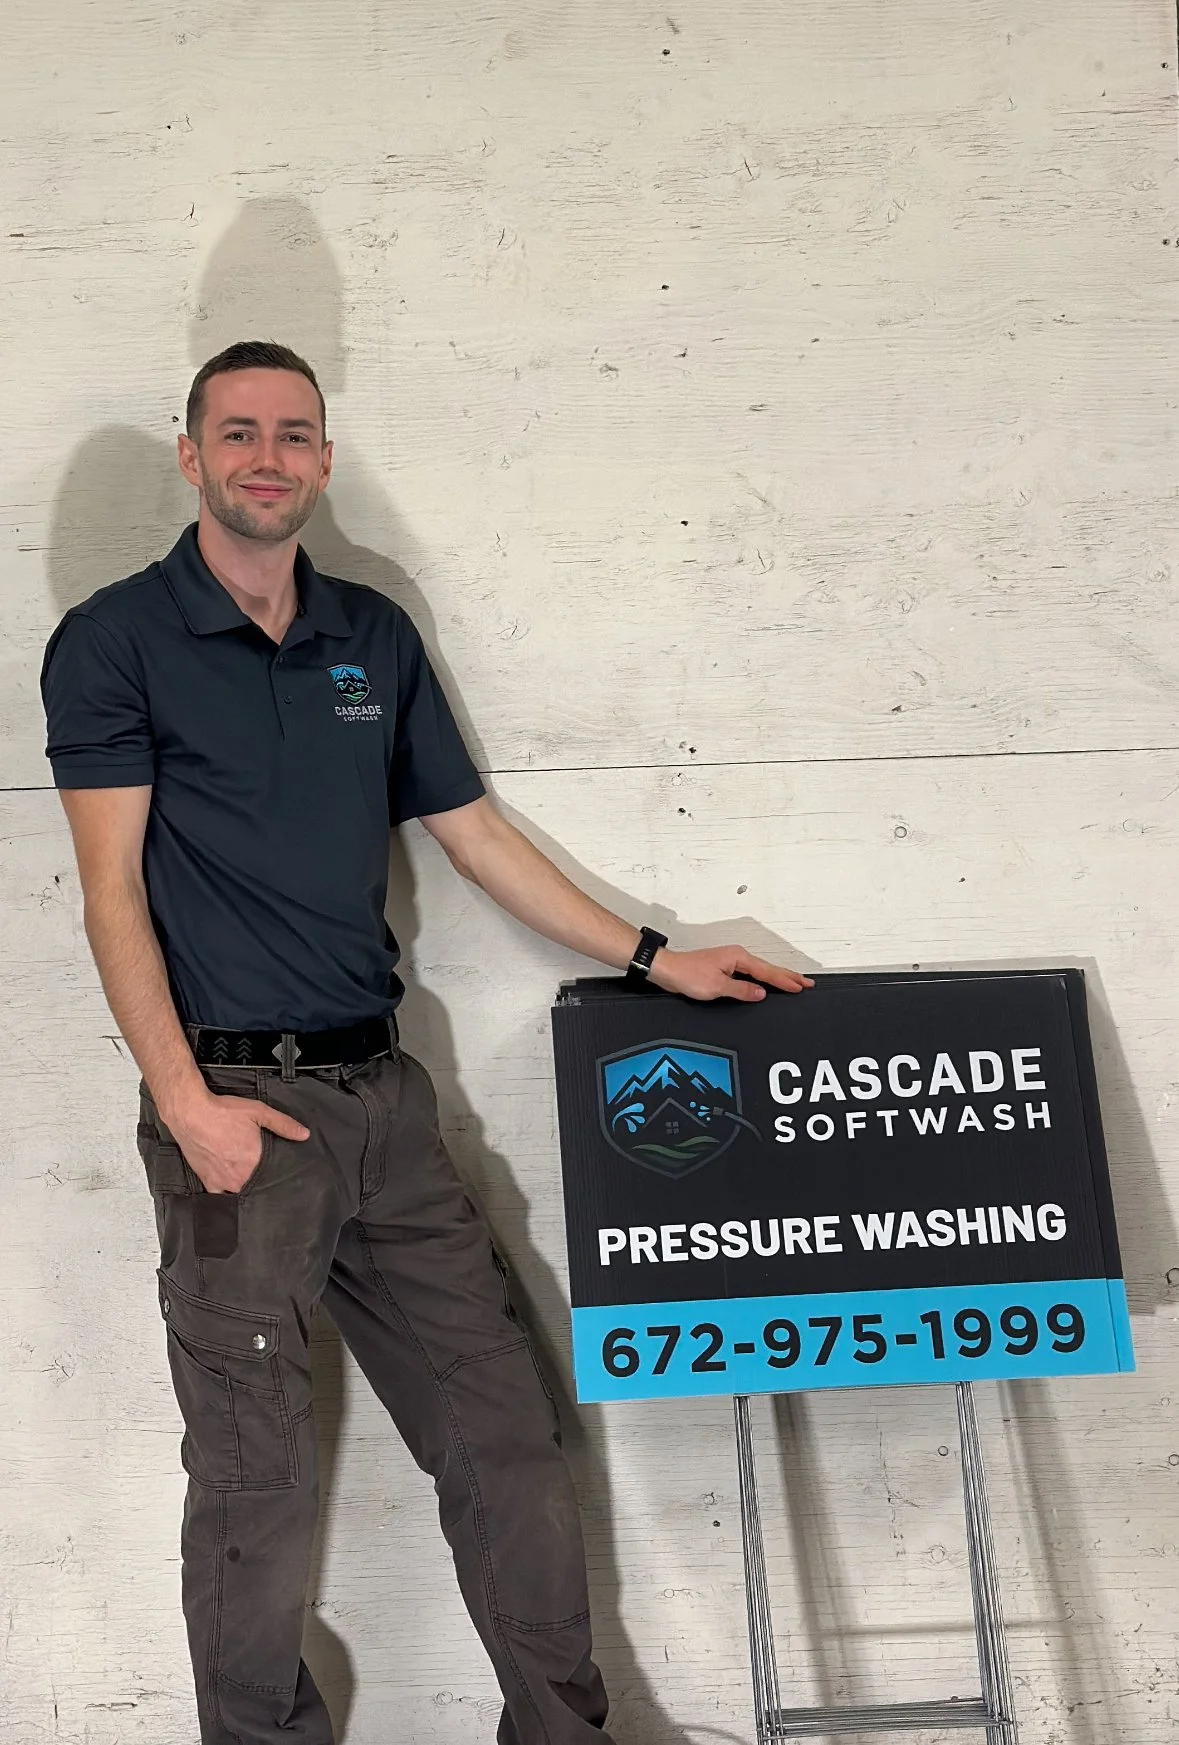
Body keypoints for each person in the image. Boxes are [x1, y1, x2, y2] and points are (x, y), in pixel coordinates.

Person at [40, 339, 813, 1745]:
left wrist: (651, 953)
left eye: (293, 433)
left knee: (505, 1435)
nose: (265, 456)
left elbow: (474, 839)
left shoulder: (370, 639)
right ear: (192, 455)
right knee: (255, 1489)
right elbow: (108, 894)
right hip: (234, 1113)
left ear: (323, 460)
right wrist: (183, 1101)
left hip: (385, 1106)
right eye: (237, 433)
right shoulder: (114, 641)